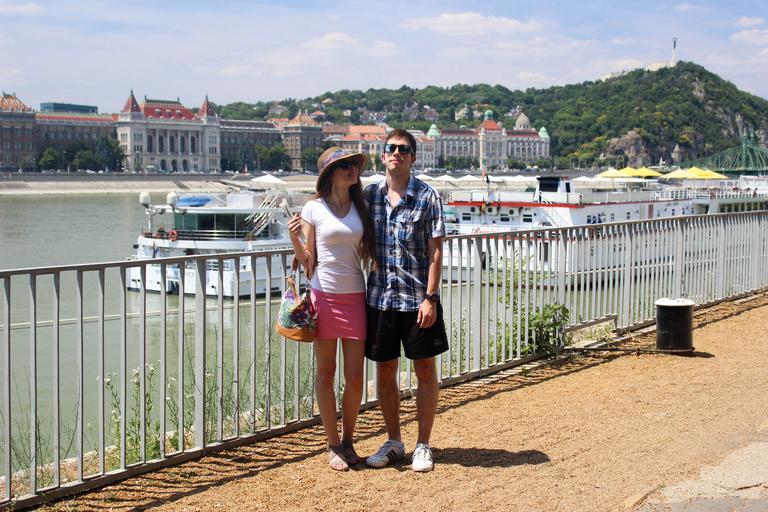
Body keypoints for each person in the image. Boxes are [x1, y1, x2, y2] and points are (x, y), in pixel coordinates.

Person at [287, 146, 377, 471]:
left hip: (355, 297)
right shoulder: (313, 208)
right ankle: (333, 444)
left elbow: (370, 251)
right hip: (323, 297)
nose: (352, 169)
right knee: (326, 373)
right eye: (344, 166)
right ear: (330, 174)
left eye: (354, 164)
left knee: (355, 377)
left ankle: (349, 439)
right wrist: (294, 239)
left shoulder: (361, 206)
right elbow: (308, 261)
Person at [363, 129, 448, 472]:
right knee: (385, 371)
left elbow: (436, 252)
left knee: (424, 370)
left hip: (417, 300)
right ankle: (394, 441)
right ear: (383, 156)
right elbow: (334, 208)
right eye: (391, 148)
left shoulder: (427, 196)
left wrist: (431, 298)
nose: (396, 153)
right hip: (380, 298)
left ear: (413, 157)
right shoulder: (370, 196)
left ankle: (423, 444)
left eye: (404, 149)